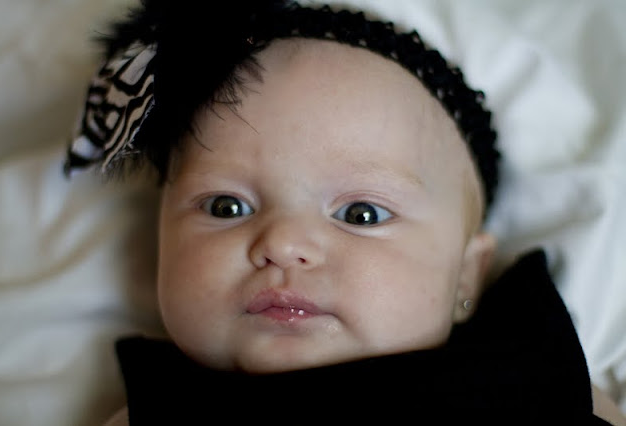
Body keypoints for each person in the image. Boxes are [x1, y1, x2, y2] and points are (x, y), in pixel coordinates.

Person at [64, 1, 626, 424]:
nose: (282, 244)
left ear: (465, 274)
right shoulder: (159, 405)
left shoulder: (530, 366)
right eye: (226, 206)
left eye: (361, 214)